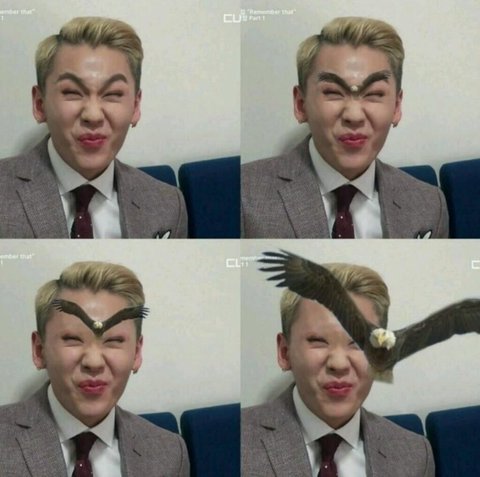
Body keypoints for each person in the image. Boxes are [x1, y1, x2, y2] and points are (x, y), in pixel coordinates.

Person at [242, 17, 448, 239]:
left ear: (396, 107)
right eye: (333, 92)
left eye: (374, 94)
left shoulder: (429, 205)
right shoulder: (244, 194)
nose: (354, 115)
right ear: (301, 104)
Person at [0, 17, 187, 238]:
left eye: (113, 93)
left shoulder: (168, 205)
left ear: (135, 106)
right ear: (40, 104)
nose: (93, 115)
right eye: (72, 92)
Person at [242, 263, 434, 476]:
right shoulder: (237, 440)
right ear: (284, 352)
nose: (339, 364)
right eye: (318, 341)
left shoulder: (416, 455)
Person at [0, 261, 189, 476]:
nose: (94, 362)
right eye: (73, 339)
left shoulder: (170, 453)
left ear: (136, 353)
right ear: (39, 350)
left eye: (114, 340)